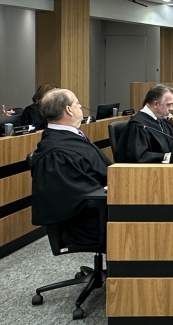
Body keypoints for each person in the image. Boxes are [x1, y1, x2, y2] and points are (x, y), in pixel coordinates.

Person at [30, 88, 112, 247]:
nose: (80, 107)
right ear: (68, 110)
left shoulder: (72, 136)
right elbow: (74, 197)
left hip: (99, 209)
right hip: (82, 223)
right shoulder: (55, 153)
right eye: (78, 103)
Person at [115, 84, 173, 163]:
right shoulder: (138, 126)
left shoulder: (161, 120)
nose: (171, 108)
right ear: (156, 104)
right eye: (168, 105)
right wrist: (164, 156)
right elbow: (138, 156)